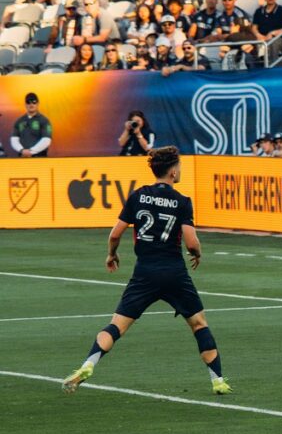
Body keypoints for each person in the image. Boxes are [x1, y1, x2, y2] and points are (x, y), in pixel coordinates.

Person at [61, 147, 231, 396]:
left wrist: (112, 254)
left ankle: (88, 364)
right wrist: (197, 254)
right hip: (174, 273)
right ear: (173, 171)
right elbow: (192, 242)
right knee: (198, 324)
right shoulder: (182, 202)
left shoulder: (137, 196)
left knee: (117, 325)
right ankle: (218, 381)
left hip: (144, 273)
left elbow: (115, 234)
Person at [10, 93, 52, 158]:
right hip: (22, 158)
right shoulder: (19, 121)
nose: (31, 104)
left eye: (34, 102)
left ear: (38, 104)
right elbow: (14, 139)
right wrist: (22, 150)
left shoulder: (44, 120)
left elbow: (46, 140)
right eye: (28, 102)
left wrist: (31, 151)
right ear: (25, 105)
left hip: (40, 158)